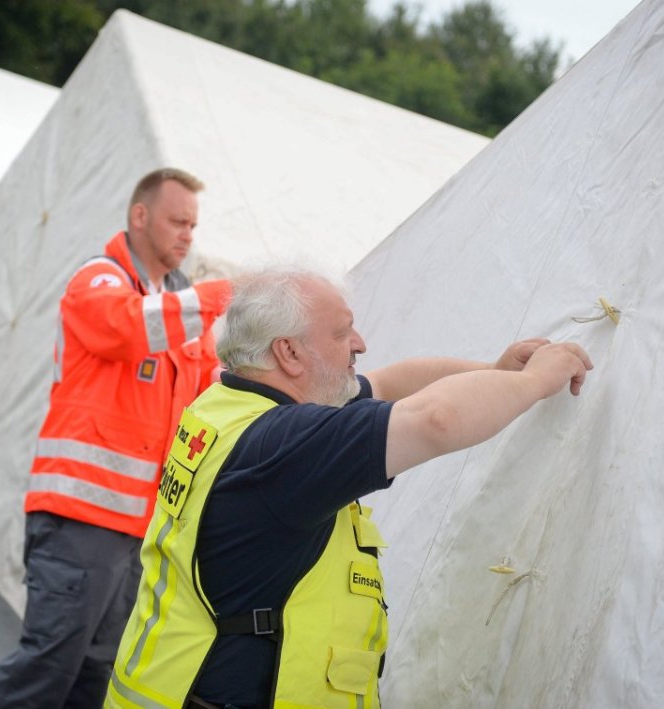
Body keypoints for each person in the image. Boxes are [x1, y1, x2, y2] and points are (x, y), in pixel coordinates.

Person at [105, 269, 592, 708]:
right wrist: (533, 383)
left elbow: (386, 382)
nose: (360, 342)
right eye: (342, 333)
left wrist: (496, 373)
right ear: (289, 352)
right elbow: (436, 419)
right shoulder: (286, 446)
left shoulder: (232, 405)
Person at [0, 168, 232, 708]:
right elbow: (124, 329)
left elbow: (209, 391)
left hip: (136, 530)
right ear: (139, 216)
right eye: (177, 220)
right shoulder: (101, 281)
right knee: (47, 667)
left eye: (194, 224)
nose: (188, 234)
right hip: (80, 519)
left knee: (96, 676)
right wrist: (218, 297)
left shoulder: (176, 308)